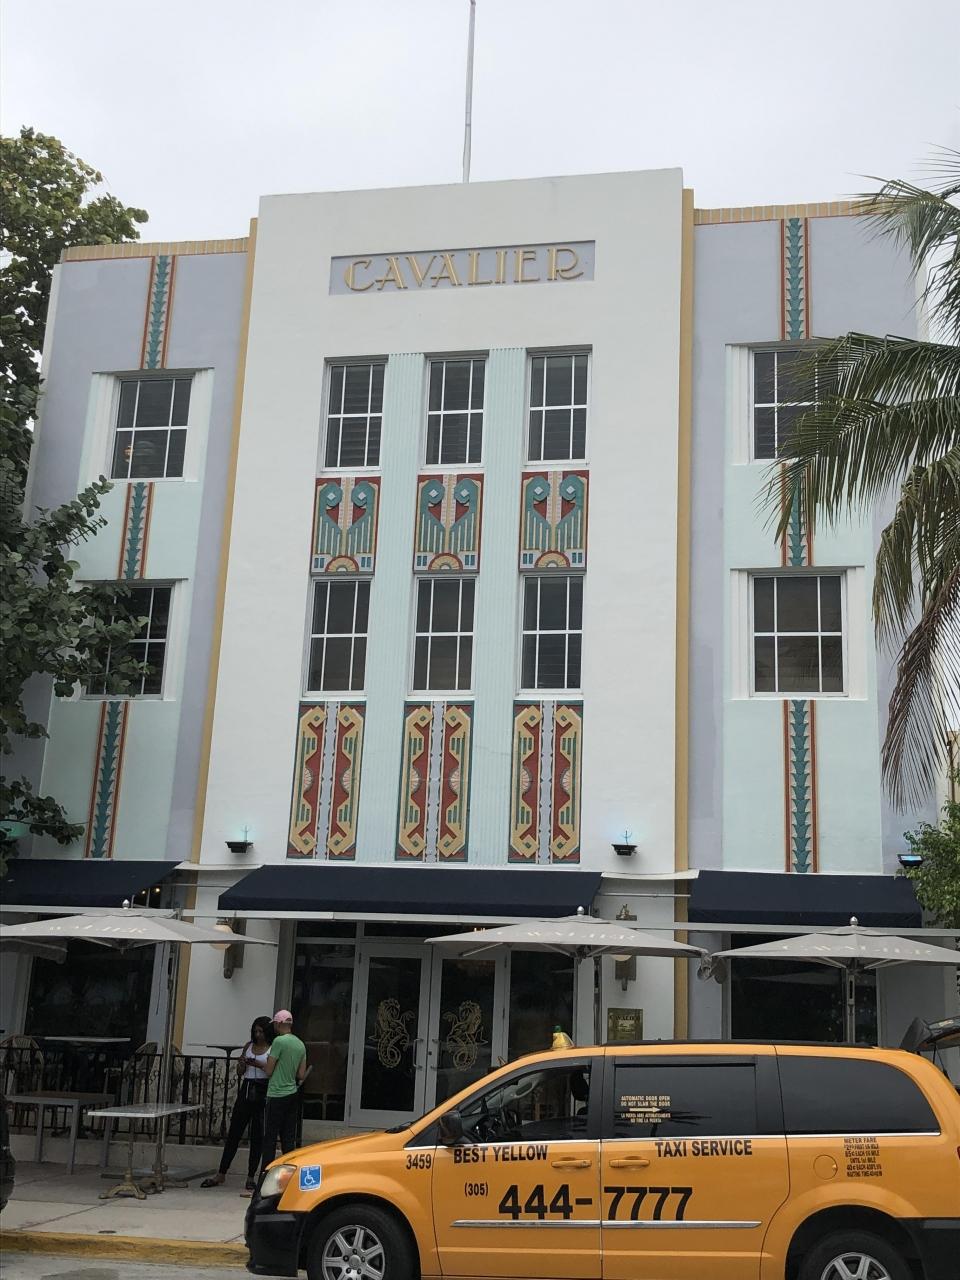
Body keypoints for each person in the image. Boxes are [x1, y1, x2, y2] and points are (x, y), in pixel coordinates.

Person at [201, 1015, 273, 1192]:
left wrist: (257, 1064)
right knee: (235, 1132)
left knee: (257, 1136)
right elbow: (240, 1072)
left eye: (261, 1032)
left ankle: (251, 1175)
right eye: (256, 1031)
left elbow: (271, 1071)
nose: (258, 1035)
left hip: (262, 1088)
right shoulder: (249, 1046)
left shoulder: (272, 1049)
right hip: (247, 1087)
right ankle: (222, 1172)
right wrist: (242, 1064)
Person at [257, 1009, 307, 1183]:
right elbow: (301, 1074)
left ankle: (264, 1181)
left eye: (275, 1024)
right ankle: (289, 1180)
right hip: (292, 1094)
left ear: (278, 1024)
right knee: (288, 1140)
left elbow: (269, 1070)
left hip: (276, 1093)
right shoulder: (300, 1044)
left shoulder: (279, 1041)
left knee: (270, 1139)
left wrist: (262, 1065)